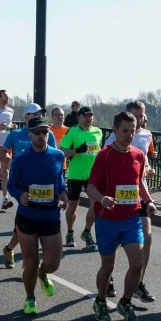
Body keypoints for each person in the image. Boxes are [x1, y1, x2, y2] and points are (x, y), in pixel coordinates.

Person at [87, 111, 157, 321]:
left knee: (137, 264)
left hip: (131, 218)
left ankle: (125, 302)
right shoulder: (104, 155)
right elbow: (90, 187)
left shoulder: (138, 154)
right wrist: (102, 199)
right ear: (115, 130)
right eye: (124, 131)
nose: (128, 135)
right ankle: (100, 300)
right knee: (108, 266)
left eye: (132, 131)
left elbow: (139, 183)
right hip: (107, 219)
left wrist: (149, 200)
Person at [7, 116, 67, 314]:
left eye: (45, 132)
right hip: (28, 216)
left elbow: (59, 180)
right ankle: (30, 298)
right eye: (38, 132)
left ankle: (43, 274)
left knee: (53, 263)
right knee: (30, 263)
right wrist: (20, 194)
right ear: (29, 134)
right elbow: (11, 184)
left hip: (50, 216)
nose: (42, 136)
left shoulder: (58, 155)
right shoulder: (21, 159)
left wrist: (63, 193)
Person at [105, 101, 158, 301]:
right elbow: (107, 163)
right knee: (118, 240)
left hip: (139, 191)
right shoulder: (114, 136)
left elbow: (144, 158)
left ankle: (138, 283)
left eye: (142, 115)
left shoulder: (147, 134)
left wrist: (147, 169)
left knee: (147, 238)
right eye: (136, 115)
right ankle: (108, 275)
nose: (140, 119)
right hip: (118, 194)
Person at [0, 103, 58, 267]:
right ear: (26, 117)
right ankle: (30, 262)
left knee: (30, 225)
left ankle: (13, 250)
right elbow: (2, 151)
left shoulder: (48, 134)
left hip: (44, 185)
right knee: (26, 222)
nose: (38, 117)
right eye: (34, 114)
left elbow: (54, 157)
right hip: (23, 186)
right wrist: (11, 162)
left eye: (40, 114)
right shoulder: (16, 134)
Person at [60, 105, 103, 249]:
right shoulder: (73, 131)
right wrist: (78, 150)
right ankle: (70, 232)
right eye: (84, 115)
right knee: (73, 204)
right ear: (78, 117)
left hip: (93, 175)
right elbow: (63, 152)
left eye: (90, 115)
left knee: (96, 205)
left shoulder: (98, 132)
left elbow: (100, 153)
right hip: (76, 174)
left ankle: (87, 232)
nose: (88, 118)